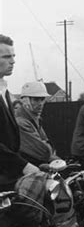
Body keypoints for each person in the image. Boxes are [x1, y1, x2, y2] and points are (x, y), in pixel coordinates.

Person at [0, 35, 39, 192]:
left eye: (13, 56)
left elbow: (10, 141)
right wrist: (24, 166)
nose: (13, 61)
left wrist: (31, 162)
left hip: (9, 176)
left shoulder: (4, 91)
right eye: (6, 56)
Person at [15, 81, 58, 166]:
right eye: (36, 99)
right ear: (26, 101)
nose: (41, 103)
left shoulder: (35, 119)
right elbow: (44, 152)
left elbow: (47, 150)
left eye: (42, 99)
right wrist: (48, 148)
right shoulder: (21, 122)